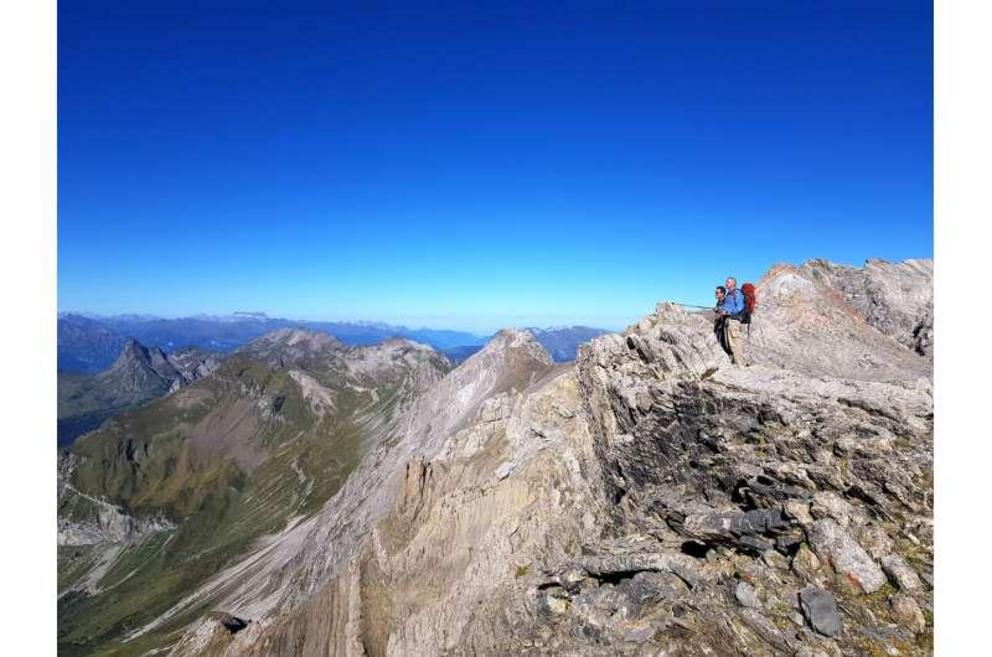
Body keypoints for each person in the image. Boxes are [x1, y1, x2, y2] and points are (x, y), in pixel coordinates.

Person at [717, 276, 751, 366]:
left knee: (735, 342)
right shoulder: (730, 294)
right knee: (731, 343)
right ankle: (737, 362)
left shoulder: (737, 293)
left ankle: (740, 364)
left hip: (734, 320)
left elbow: (739, 307)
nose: (726, 283)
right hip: (730, 320)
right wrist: (720, 309)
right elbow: (728, 307)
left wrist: (727, 312)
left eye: (728, 282)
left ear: (733, 283)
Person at [713, 286, 732, 357]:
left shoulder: (726, 301)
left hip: (726, 325)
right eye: (715, 293)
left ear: (723, 293)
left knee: (726, 342)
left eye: (717, 293)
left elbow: (727, 311)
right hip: (720, 325)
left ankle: (730, 356)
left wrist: (719, 310)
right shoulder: (718, 302)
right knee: (721, 341)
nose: (716, 294)